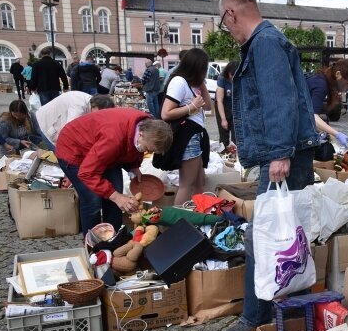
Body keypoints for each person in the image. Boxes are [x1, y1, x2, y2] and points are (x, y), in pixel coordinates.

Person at [216, 0, 320, 331]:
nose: (227, 30)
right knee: (282, 233)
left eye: (223, 22)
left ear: (231, 14)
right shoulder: (268, 41)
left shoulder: (264, 43)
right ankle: (282, 312)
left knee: (262, 235)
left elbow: (280, 100)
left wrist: (279, 153)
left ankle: (256, 318)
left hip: (284, 155)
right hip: (287, 152)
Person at [55, 108, 173, 234]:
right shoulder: (113, 139)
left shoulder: (147, 125)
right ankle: (92, 244)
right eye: (147, 149)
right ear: (141, 134)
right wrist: (116, 197)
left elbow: (131, 144)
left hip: (103, 151)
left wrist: (134, 166)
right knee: (93, 200)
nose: (147, 152)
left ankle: (113, 238)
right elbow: (87, 173)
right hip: (74, 151)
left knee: (115, 192)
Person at [159, 47, 213, 205]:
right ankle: (179, 224)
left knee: (198, 183)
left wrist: (201, 85)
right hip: (187, 137)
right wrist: (192, 107)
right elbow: (166, 113)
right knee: (186, 185)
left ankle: (197, 218)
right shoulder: (179, 82)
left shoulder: (192, 84)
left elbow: (208, 106)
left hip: (195, 135)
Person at [35, 92, 115, 149]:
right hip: (46, 122)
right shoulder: (79, 107)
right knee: (59, 156)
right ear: (96, 106)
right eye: (100, 113)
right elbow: (69, 131)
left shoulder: (90, 101)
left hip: (56, 121)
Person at [306, 59, 348, 123]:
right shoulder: (321, 85)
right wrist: (336, 133)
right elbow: (314, 118)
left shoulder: (323, 81)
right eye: (347, 84)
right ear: (338, 74)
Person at [215, 61, 239, 148]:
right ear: (228, 73)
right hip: (223, 106)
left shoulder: (240, 78)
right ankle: (223, 153)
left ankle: (235, 157)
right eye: (232, 75)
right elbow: (219, 101)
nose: (234, 78)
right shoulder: (222, 79)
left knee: (236, 134)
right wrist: (223, 119)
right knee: (224, 133)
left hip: (235, 107)